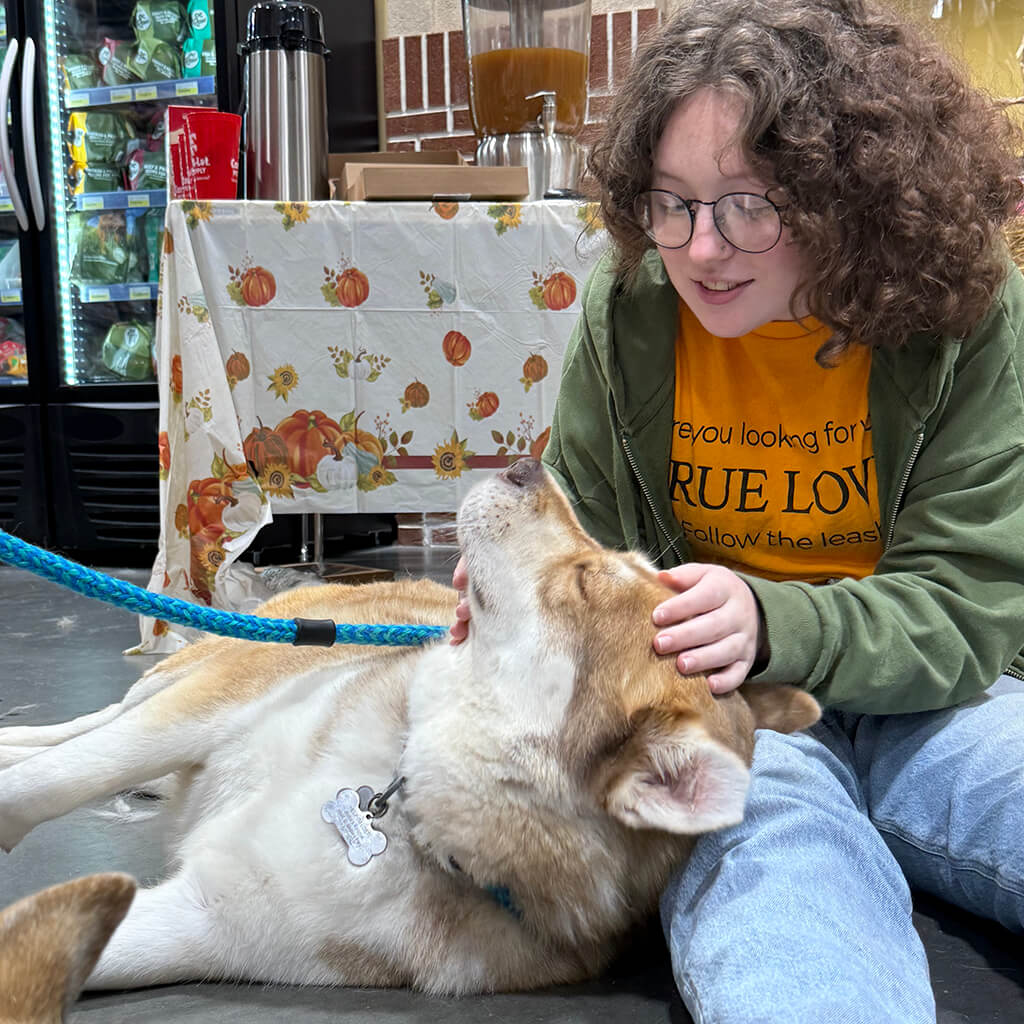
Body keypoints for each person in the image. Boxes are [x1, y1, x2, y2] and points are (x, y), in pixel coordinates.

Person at [450, 0, 1024, 1020]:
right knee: (780, 886)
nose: (700, 248)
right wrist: (511, 590)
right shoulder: (628, 312)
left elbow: (970, 614)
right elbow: (577, 520)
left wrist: (775, 621)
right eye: (671, 203)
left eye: (749, 203)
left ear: (854, 199)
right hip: (721, 707)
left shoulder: (966, 314)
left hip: (943, 700)